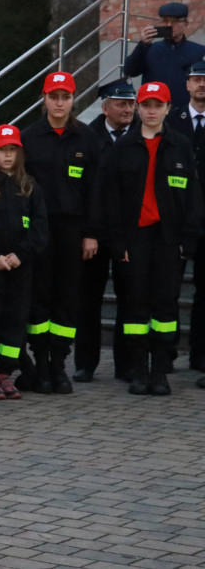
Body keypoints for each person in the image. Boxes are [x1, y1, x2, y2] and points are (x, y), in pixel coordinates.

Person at [104, 82, 203, 395]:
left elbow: (191, 196)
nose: (149, 110)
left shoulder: (180, 145)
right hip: (134, 239)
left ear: (167, 108)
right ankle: (138, 370)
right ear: (137, 107)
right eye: (145, 104)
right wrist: (116, 242)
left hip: (168, 239)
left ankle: (160, 370)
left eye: (156, 105)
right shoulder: (123, 146)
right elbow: (112, 199)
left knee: (165, 307)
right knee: (134, 305)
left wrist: (189, 238)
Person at [21, 71, 102, 394]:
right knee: (39, 298)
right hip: (39, 230)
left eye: (65, 97)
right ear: (44, 98)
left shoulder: (87, 139)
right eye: (53, 97)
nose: (59, 103)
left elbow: (96, 190)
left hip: (73, 230)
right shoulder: (28, 138)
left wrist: (92, 233)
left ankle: (59, 365)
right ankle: (41, 364)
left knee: (67, 299)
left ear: (73, 99)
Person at [0, 124, 49, 399]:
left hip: (21, 266)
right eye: (2, 150)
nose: (7, 156)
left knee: (15, 318)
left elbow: (40, 228)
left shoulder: (29, 186)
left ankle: (6, 374)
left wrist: (21, 254)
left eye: (12, 150)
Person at [74, 78, 137, 383]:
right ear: (105, 107)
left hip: (129, 233)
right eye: (121, 103)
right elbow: (86, 190)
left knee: (129, 299)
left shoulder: (143, 135)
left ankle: (126, 365)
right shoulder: (88, 137)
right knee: (88, 300)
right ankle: (86, 363)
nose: (128, 109)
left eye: (131, 103)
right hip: (94, 232)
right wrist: (89, 232)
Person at [166, 62, 205, 374]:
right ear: (187, 84)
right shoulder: (172, 121)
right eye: (196, 79)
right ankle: (166, 352)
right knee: (168, 288)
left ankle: (201, 356)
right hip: (175, 220)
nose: (201, 85)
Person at [125, 2, 205, 112]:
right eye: (165, 21)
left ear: (186, 24)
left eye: (174, 22)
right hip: (155, 112)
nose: (169, 25)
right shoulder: (149, 49)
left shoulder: (199, 51)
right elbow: (130, 71)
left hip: (185, 113)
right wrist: (142, 45)